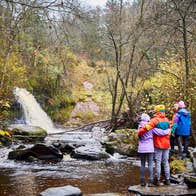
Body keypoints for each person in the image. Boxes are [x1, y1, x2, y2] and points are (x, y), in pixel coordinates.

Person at [138, 105, 171, 186]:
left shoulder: (154, 120)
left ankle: (157, 180)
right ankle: (167, 180)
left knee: (158, 162)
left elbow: (146, 128)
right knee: (166, 162)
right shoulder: (167, 120)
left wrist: (139, 132)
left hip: (158, 144)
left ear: (156, 111)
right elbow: (169, 130)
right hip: (166, 144)